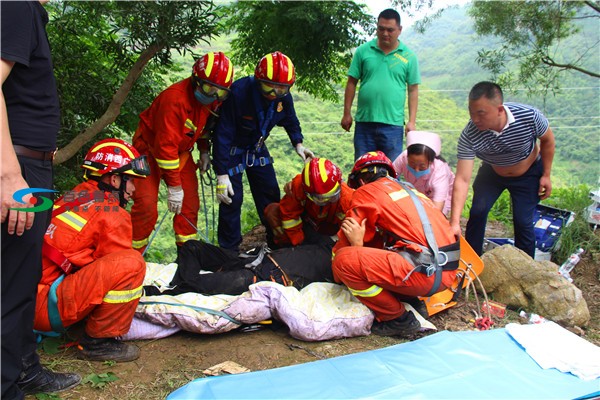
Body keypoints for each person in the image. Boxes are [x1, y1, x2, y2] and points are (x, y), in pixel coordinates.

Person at [1, 2, 81, 398]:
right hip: (18, 167)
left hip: (25, 164)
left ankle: (22, 370)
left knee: (19, 277)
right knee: (12, 285)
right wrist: (9, 175)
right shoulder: (15, 5)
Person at [34, 139, 150, 363]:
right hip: (44, 308)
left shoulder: (74, 195)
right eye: (132, 181)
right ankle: (98, 343)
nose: (134, 189)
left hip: (21, 296)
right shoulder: (112, 214)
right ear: (115, 179)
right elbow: (115, 272)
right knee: (132, 264)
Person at [332, 151, 460, 336]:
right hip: (446, 272)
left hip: (422, 272)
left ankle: (397, 319)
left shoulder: (366, 191)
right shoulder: (409, 190)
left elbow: (342, 260)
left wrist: (353, 249)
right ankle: (412, 301)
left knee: (344, 261)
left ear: (360, 181)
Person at [130, 52, 234, 254]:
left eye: (219, 92)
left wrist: (204, 151)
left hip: (180, 152)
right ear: (196, 80)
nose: (213, 95)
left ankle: (186, 256)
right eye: (208, 88)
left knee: (189, 206)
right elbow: (164, 148)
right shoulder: (174, 100)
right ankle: (132, 256)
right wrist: (174, 187)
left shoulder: (212, 100)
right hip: (148, 151)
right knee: (146, 207)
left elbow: (202, 127)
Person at [212, 51, 314, 250]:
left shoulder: (283, 98)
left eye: (281, 89)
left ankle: (277, 244)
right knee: (231, 199)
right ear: (259, 81)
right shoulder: (240, 93)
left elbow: (290, 120)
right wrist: (221, 173)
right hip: (232, 149)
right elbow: (223, 134)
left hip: (257, 147)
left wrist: (298, 143)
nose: (274, 93)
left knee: (269, 194)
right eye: (269, 87)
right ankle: (229, 251)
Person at [449, 81, 555, 258]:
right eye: (471, 112)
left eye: (481, 114)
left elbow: (548, 141)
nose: (475, 119)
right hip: (492, 173)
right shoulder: (470, 134)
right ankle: (472, 262)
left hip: (528, 173)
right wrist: (454, 221)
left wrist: (546, 174)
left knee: (523, 221)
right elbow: (462, 179)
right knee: (478, 211)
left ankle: (525, 265)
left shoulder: (529, 116)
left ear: (499, 109)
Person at [340, 8, 420, 162]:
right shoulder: (363, 51)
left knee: (391, 172)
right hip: (364, 123)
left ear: (399, 30)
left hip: (393, 126)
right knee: (362, 170)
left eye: (390, 30)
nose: (385, 33)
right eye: (381, 29)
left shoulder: (409, 56)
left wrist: (411, 121)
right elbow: (351, 82)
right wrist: (346, 113)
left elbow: (413, 90)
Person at [145, 238, 335, 296]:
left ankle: (167, 291)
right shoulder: (330, 244)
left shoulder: (342, 267)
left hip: (264, 276)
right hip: (254, 258)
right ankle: (183, 283)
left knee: (199, 284)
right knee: (191, 247)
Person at [264, 158, 353, 247]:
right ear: (307, 192)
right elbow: (289, 214)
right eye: (320, 198)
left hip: (329, 232)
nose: (326, 201)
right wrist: (299, 244)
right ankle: (283, 246)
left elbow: (351, 232)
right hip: (306, 224)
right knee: (272, 211)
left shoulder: (348, 199)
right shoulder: (298, 186)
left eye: (332, 196)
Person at [392, 131, 455, 216]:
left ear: (431, 161)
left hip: (438, 198)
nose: (417, 170)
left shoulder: (440, 171)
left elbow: (437, 208)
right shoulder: (403, 157)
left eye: (422, 166)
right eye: (412, 164)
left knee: (433, 220)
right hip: (416, 193)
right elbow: (389, 176)